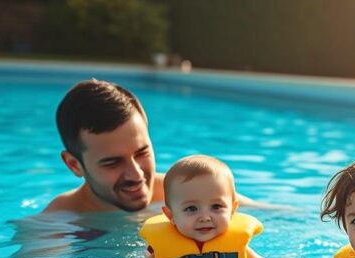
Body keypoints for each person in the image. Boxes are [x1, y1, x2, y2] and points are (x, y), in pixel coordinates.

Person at [38, 155, 284, 258]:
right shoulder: (161, 256)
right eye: (191, 209)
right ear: (170, 216)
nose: (205, 217)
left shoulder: (238, 248)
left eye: (217, 206)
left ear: (233, 210)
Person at [44, 79, 263, 214]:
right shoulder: (59, 221)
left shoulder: (186, 191)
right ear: (74, 165)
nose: (136, 174)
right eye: (112, 163)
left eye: (142, 153)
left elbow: (281, 218)